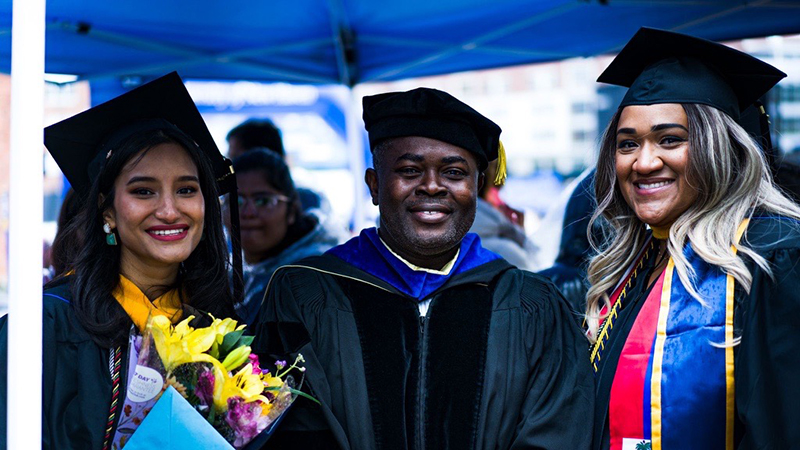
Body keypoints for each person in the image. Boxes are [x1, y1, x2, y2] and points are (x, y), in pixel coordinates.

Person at [253, 87, 593, 449]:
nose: (432, 186)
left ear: (476, 186)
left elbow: (559, 431)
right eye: (410, 170)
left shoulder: (531, 304)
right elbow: (287, 431)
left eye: (453, 172)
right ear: (374, 185)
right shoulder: (306, 294)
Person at [586, 28, 800, 450]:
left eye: (670, 140)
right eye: (628, 144)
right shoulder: (638, 265)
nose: (644, 162)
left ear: (720, 146)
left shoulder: (774, 256)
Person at [0, 72, 239, 449]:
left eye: (186, 190)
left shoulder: (219, 326)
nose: (169, 209)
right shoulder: (46, 326)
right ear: (106, 210)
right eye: (143, 191)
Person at [227, 149, 341, 326]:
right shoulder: (237, 272)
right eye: (236, 202)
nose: (248, 213)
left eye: (262, 201)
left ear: (291, 210)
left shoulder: (310, 277)